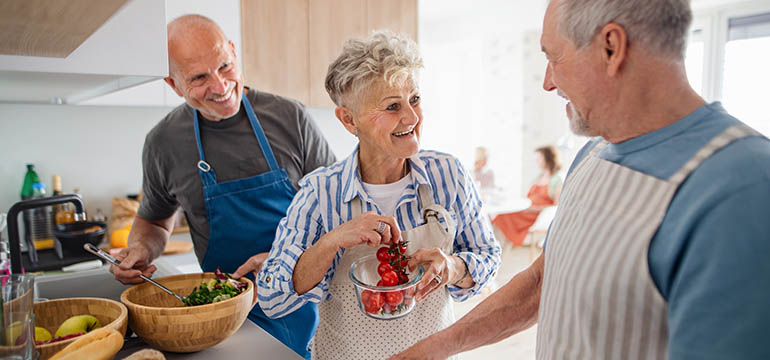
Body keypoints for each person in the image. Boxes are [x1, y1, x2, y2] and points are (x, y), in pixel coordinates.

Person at [391, 0, 770, 359]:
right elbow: (545, 282)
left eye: (553, 57)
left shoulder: (742, 187)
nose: (547, 83)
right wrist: (434, 348)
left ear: (611, 48)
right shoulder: (592, 153)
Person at [257, 31, 501, 360]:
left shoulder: (449, 174)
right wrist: (331, 242)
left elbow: (487, 255)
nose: (412, 118)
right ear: (348, 119)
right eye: (392, 107)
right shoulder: (320, 193)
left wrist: (453, 268)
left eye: (414, 99)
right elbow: (273, 298)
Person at [109, 14, 336, 359]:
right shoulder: (164, 142)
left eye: (225, 66)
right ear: (173, 84)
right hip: (221, 321)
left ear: (233, 51)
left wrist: (285, 261)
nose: (219, 86)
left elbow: (340, 211)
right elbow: (154, 221)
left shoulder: (291, 118)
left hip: (311, 305)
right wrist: (141, 249)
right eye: (199, 77)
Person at [492, 145, 562, 246]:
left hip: (535, 216)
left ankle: (499, 251)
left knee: (501, 218)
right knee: (499, 218)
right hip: (526, 211)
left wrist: (534, 208)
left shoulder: (557, 179)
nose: (537, 161)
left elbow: (556, 206)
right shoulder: (540, 176)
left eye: (539, 158)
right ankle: (501, 251)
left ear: (548, 158)